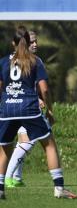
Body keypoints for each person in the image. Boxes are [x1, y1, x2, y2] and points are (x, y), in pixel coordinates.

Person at [0, 26, 77, 200]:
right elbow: (45, 89)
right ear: (27, 43)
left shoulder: (3, 61)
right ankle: (59, 188)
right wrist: (49, 109)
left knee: (4, 149)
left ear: (13, 43)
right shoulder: (35, 61)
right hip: (28, 108)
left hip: (7, 108)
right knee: (49, 144)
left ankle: (0, 189)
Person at [5, 30, 40, 187]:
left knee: (21, 141)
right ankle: (7, 176)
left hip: (11, 106)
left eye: (36, 41)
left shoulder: (9, 61)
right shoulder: (33, 61)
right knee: (29, 140)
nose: (35, 44)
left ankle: (16, 178)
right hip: (26, 107)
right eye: (31, 41)